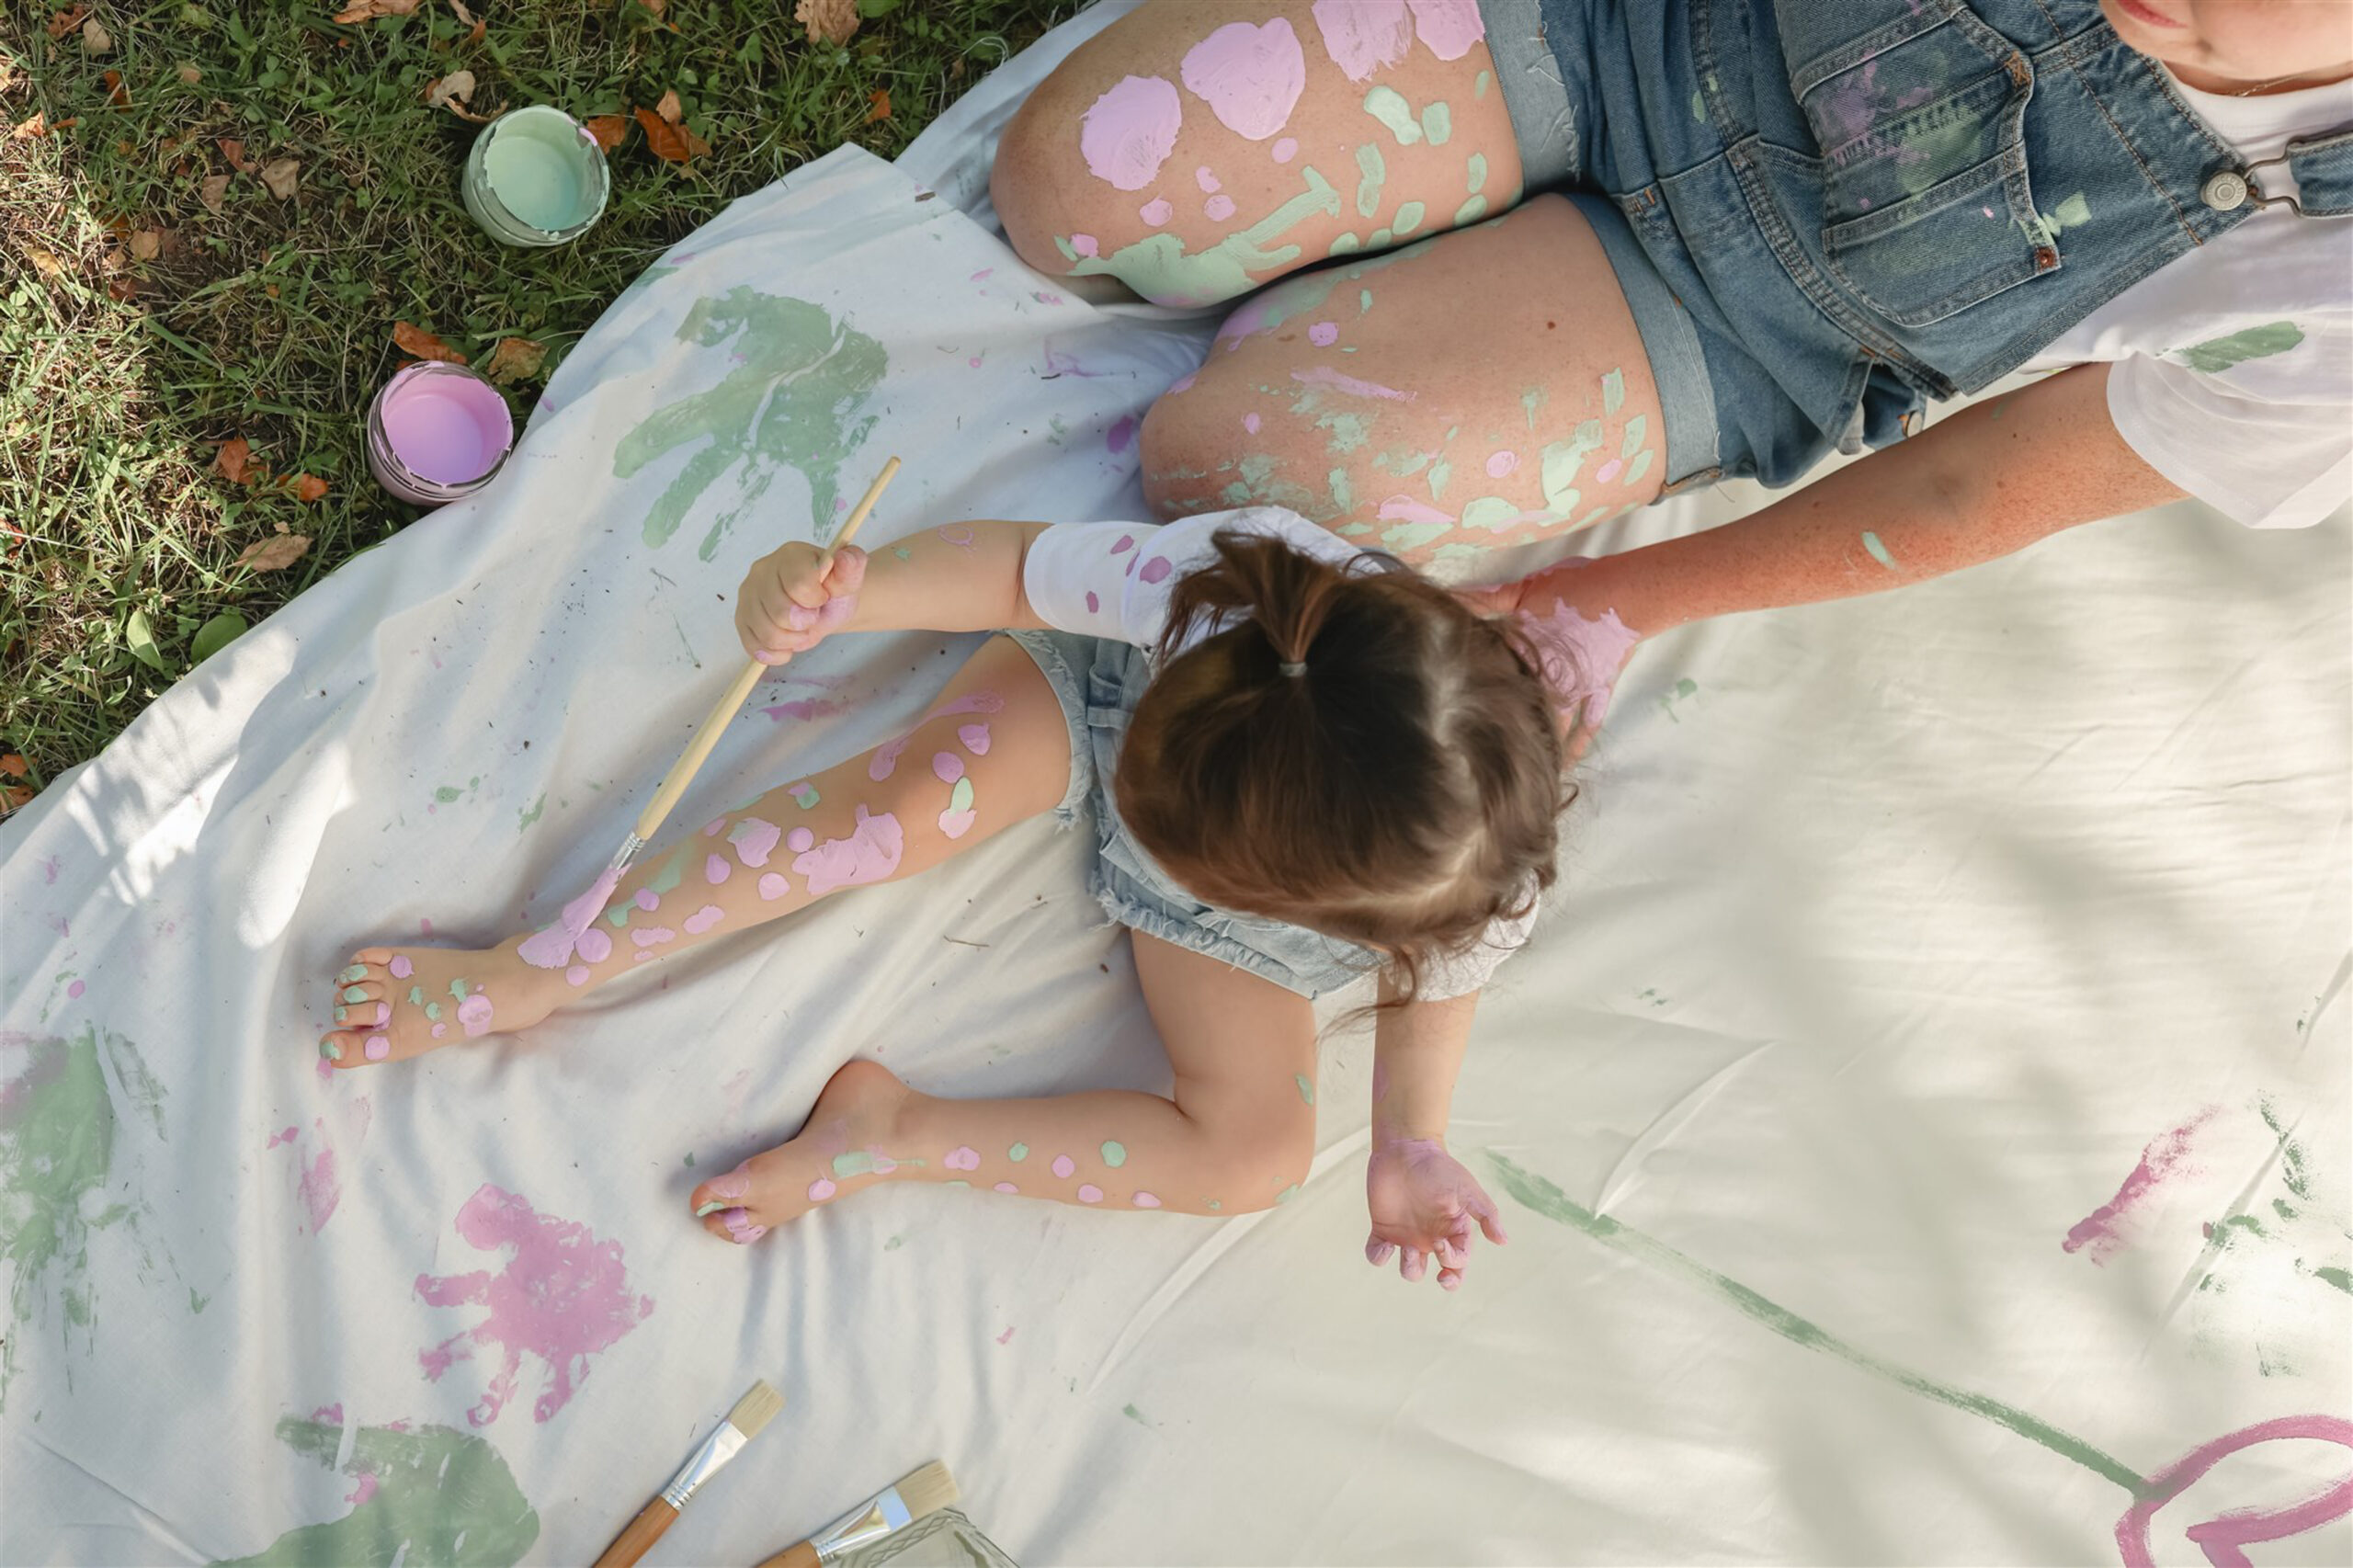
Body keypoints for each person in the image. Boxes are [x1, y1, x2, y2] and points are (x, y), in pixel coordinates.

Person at [990, 0, 2352, 744]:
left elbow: (1984, 485)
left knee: (1231, 471)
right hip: (1619, 27)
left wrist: (1596, 601)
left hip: (1725, 322)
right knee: (1073, 180)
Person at [323, 507, 1570, 1290]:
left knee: (1259, 1157)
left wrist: (1410, 1137)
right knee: (896, 809)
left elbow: (1438, 989)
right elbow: (1027, 569)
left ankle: (890, 1134)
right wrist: (851, 592)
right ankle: (547, 962)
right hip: (1103, 697)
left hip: (1237, 914)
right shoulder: (1240, 590)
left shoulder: (1466, 873)